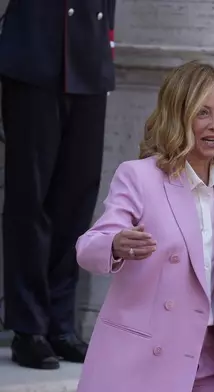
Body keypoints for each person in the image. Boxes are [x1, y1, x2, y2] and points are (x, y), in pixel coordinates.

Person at [75, 61, 214, 392]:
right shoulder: (139, 177)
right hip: (146, 362)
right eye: (203, 113)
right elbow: (89, 246)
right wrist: (115, 244)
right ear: (179, 116)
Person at [0, 0, 116, 369]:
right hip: (34, 56)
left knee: (76, 198)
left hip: (89, 57)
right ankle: (27, 327)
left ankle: (59, 324)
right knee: (30, 199)